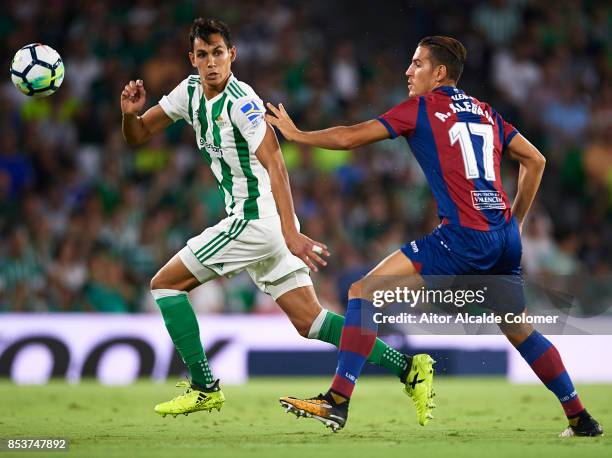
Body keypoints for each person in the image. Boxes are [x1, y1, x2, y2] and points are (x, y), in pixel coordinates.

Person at [267, 36, 603, 437]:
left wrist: (298, 134)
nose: (408, 71)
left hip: (462, 236)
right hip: (503, 239)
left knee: (362, 291)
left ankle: (337, 400)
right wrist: (515, 221)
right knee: (519, 329)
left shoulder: (422, 108)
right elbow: (536, 159)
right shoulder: (484, 111)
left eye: (417, 64)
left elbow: (352, 136)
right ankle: (580, 417)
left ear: (439, 72)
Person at [120, 18, 432, 420]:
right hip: (264, 224)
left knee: (164, 285)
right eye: (203, 55)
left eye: (218, 53)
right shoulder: (189, 92)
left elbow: (276, 163)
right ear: (192, 59)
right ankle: (410, 369)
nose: (211, 62)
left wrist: (290, 233)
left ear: (232, 55)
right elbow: (139, 134)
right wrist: (130, 114)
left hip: (254, 220)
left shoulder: (242, 102)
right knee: (312, 321)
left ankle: (203, 387)